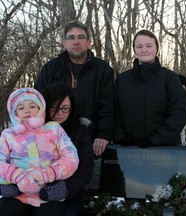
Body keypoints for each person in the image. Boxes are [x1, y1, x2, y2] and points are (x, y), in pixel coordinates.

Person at [35, 21, 114, 156]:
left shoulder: (103, 69)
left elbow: (109, 106)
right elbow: (37, 104)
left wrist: (104, 134)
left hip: (89, 142)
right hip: (52, 143)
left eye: (81, 37)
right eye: (71, 37)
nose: (76, 42)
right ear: (64, 43)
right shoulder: (51, 68)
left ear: (89, 42)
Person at [0, 87, 79, 216]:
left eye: (32, 106)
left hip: (49, 193)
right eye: (21, 108)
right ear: (15, 113)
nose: (27, 110)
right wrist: (16, 175)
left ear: (40, 108)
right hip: (18, 194)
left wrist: (49, 174)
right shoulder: (8, 135)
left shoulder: (53, 129)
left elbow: (71, 157)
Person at [113, 29, 186, 147]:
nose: (144, 50)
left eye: (149, 45)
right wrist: (121, 138)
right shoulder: (122, 80)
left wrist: (155, 140)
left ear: (156, 48)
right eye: (139, 46)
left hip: (165, 150)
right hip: (128, 152)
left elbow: (179, 113)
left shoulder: (170, 79)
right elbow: (114, 113)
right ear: (134, 49)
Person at [41, 82, 94, 216]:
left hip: (69, 191)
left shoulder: (80, 131)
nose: (60, 113)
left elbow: (86, 167)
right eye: (55, 108)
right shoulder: (34, 129)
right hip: (35, 188)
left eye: (65, 108)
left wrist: (65, 188)